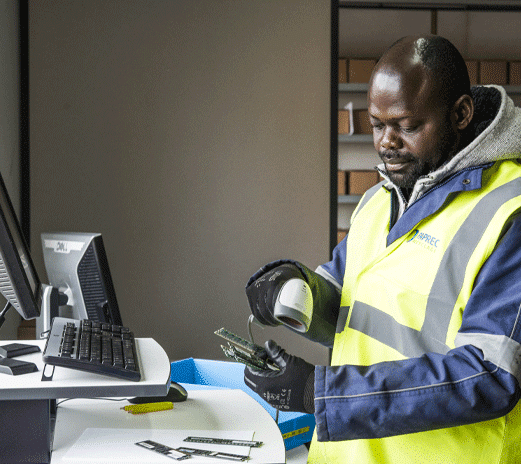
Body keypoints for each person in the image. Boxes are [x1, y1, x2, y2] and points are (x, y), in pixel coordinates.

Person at [243, 35, 521, 463]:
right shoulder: (379, 200)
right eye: (376, 124)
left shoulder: (510, 211)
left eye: (406, 126)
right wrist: (289, 288)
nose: (387, 142)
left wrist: (321, 394)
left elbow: (490, 375)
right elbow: (344, 301)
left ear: (461, 114)